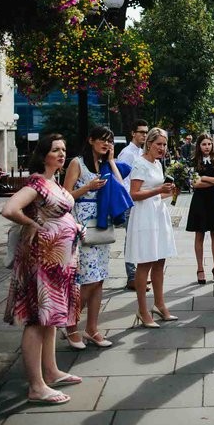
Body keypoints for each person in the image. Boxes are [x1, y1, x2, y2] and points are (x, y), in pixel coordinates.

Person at [1, 134, 83, 405]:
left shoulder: (54, 182)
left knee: (51, 318)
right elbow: (10, 208)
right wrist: (33, 225)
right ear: (43, 154)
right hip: (42, 261)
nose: (61, 154)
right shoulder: (37, 182)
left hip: (59, 261)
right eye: (55, 150)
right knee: (38, 319)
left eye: (64, 149)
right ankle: (36, 386)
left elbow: (61, 212)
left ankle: (51, 370)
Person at [61, 126, 120, 351]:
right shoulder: (77, 163)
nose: (106, 144)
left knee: (100, 278)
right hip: (83, 227)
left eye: (109, 141)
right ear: (91, 140)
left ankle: (92, 328)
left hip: (102, 226)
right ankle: (71, 325)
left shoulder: (104, 164)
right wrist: (87, 187)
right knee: (88, 280)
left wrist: (112, 160)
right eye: (102, 140)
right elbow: (65, 196)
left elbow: (120, 185)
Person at [127, 128, 179, 328]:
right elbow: (134, 194)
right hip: (144, 217)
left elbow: (158, 194)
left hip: (158, 213)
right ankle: (142, 310)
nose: (162, 148)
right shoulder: (140, 163)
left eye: (164, 145)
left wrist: (171, 192)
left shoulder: (158, 164)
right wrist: (159, 189)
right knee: (145, 262)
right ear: (149, 144)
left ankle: (159, 304)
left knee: (159, 261)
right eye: (159, 144)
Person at [185, 134, 214, 285]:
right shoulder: (193, 162)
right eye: (203, 144)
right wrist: (213, 181)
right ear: (198, 146)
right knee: (199, 235)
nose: (207, 146)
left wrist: (205, 179)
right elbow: (195, 184)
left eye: (209, 144)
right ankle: (200, 269)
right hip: (199, 201)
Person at [117, 120, 149, 290]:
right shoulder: (127, 153)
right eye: (141, 132)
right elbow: (121, 180)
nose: (144, 135)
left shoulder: (142, 152)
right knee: (131, 238)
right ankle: (132, 276)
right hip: (130, 201)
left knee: (139, 237)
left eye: (146, 132)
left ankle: (139, 274)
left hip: (140, 200)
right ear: (133, 133)